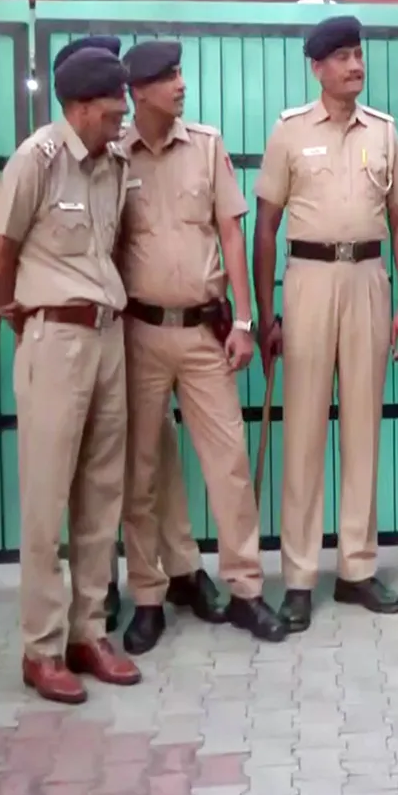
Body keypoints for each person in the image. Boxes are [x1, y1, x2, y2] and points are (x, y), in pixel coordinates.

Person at [48, 38, 223, 638]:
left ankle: (179, 571)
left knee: (154, 464)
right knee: (111, 473)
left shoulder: (162, 153)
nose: (120, 103)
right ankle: (111, 588)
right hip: (102, 338)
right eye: (111, 93)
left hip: (156, 336)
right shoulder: (64, 161)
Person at [116, 39, 287, 653]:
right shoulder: (115, 154)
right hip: (137, 334)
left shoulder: (207, 145)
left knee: (230, 465)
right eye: (167, 77)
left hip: (204, 333)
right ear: (138, 91)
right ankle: (148, 596)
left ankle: (245, 588)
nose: (181, 84)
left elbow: (233, 235)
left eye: (181, 73)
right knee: (141, 471)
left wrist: (243, 320)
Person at [253, 15, 398, 633]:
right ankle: (298, 577)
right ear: (317, 67)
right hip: (309, 282)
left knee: (362, 428)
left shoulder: (384, 133)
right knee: (301, 434)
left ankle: (356, 568)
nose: (356, 66)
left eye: (359, 55)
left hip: (369, 282)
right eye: (343, 57)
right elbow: (264, 226)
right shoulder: (290, 133)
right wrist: (266, 313)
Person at [0, 46, 141, 703]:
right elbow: (2, 249)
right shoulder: (37, 160)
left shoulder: (116, 163)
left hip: (107, 336)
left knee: (100, 495)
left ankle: (89, 630)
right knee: (47, 501)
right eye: (114, 105)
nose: (124, 114)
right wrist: (17, 316)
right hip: (53, 336)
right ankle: (42, 648)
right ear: (81, 105)